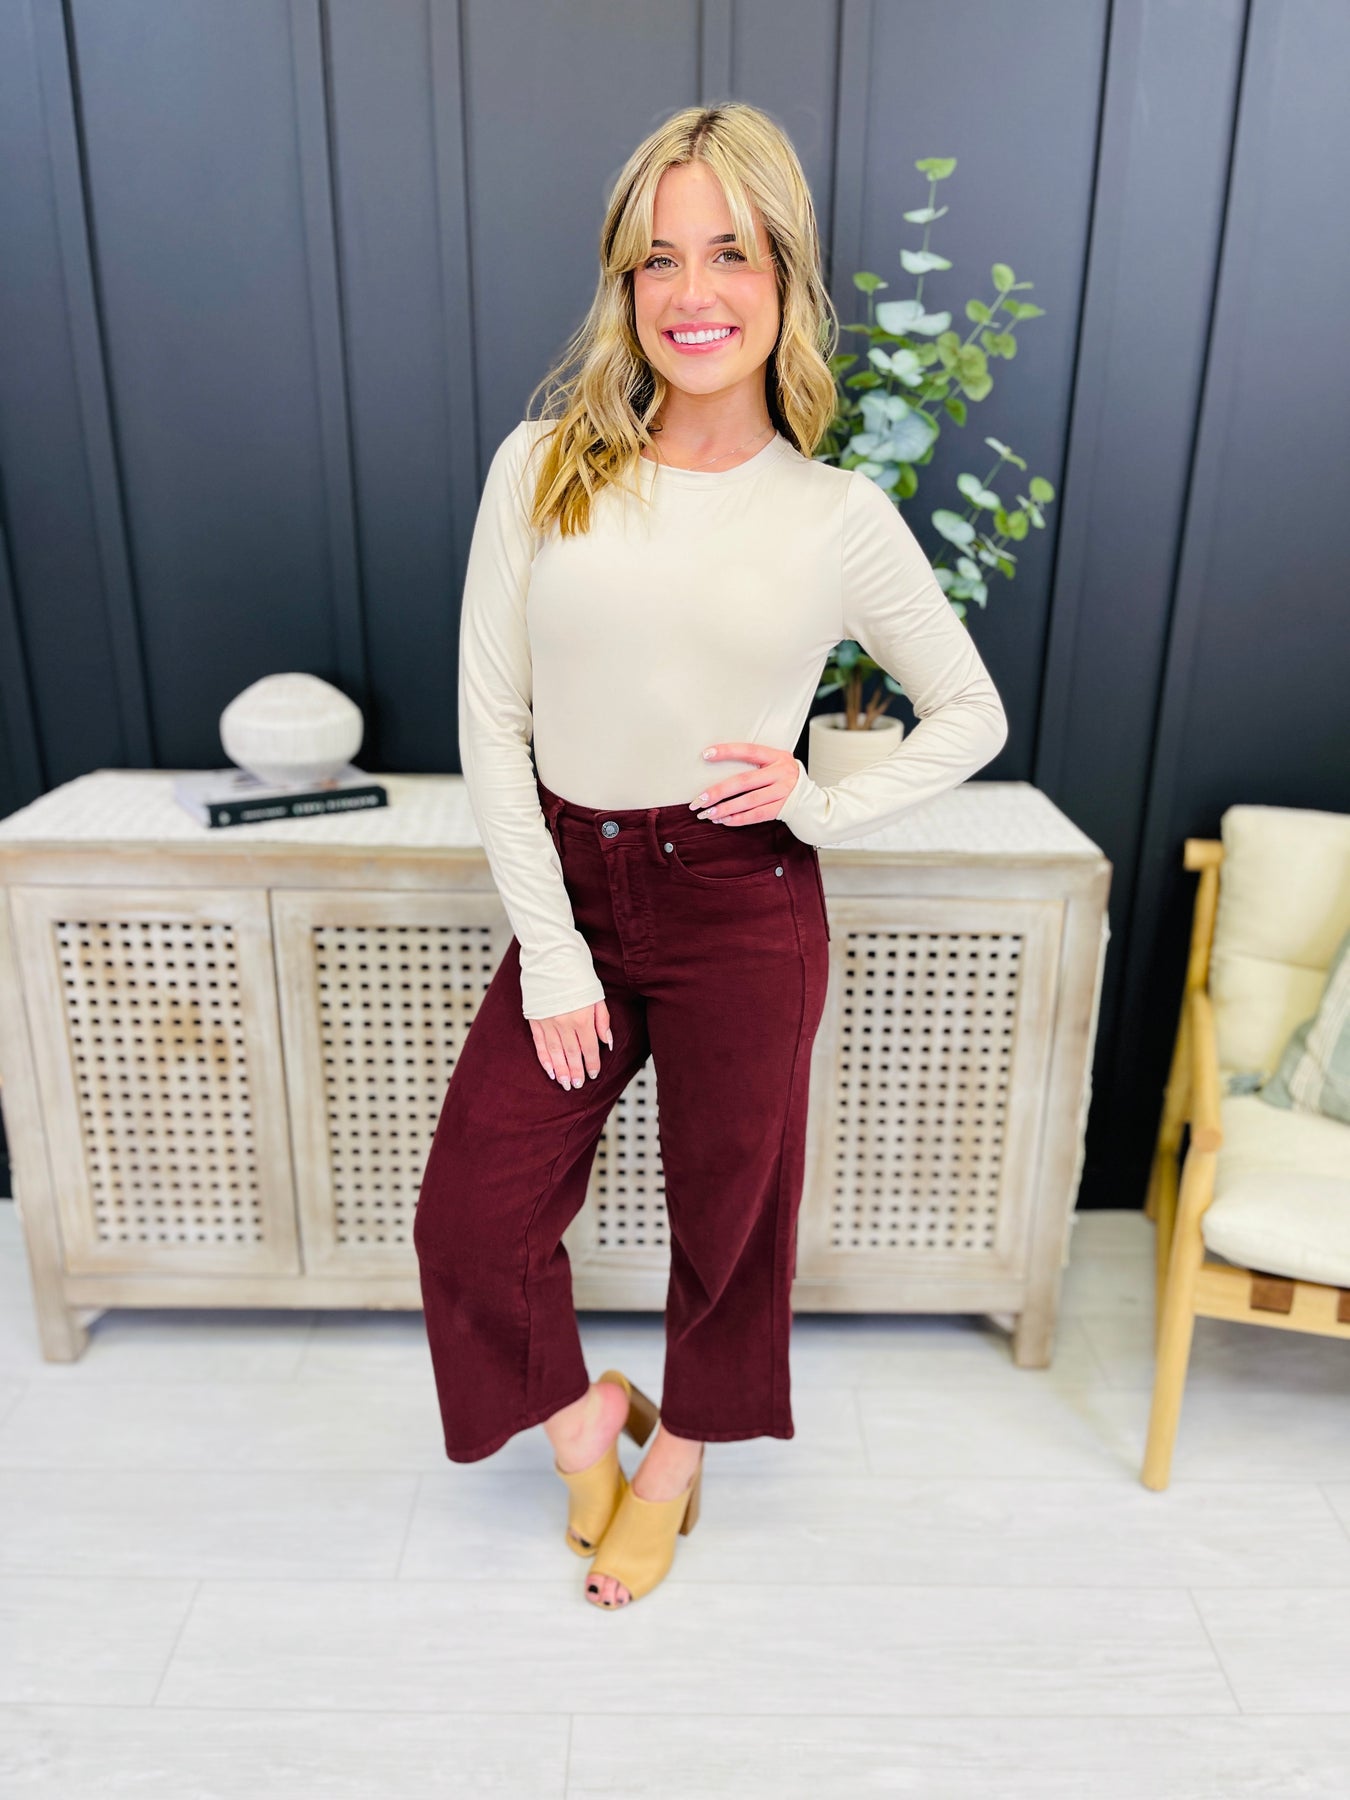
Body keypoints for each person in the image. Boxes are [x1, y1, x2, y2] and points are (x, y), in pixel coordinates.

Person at [412, 101, 1009, 1611]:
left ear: (785, 277)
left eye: (730, 254)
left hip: (741, 903)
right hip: (574, 888)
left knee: (729, 1230)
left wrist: (818, 804)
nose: (693, 293)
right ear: (624, 286)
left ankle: (674, 1466)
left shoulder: (835, 517)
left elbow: (970, 713)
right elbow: (490, 720)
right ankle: (586, 1432)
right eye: (659, 260)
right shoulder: (541, 468)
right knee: (472, 1220)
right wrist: (554, 953)